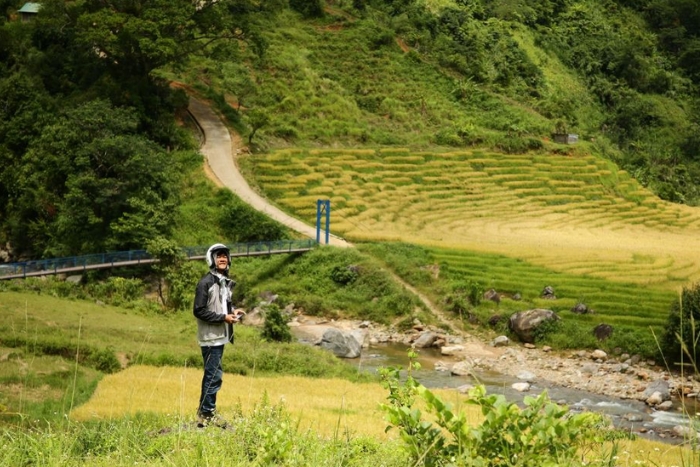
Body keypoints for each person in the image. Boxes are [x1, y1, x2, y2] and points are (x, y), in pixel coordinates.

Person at [193, 243, 241, 427]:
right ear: (211, 259)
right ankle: (207, 413)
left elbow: (223, 306)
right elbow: (199, 311)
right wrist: (223, 318)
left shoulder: (223, 282)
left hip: (220, 335)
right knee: (213, 376)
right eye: (219, 256)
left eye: (225, 256)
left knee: (213, 375)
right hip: (210, 337)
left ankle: (205, 410)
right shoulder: (206, 283)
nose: (223, 259)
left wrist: (234, 312)